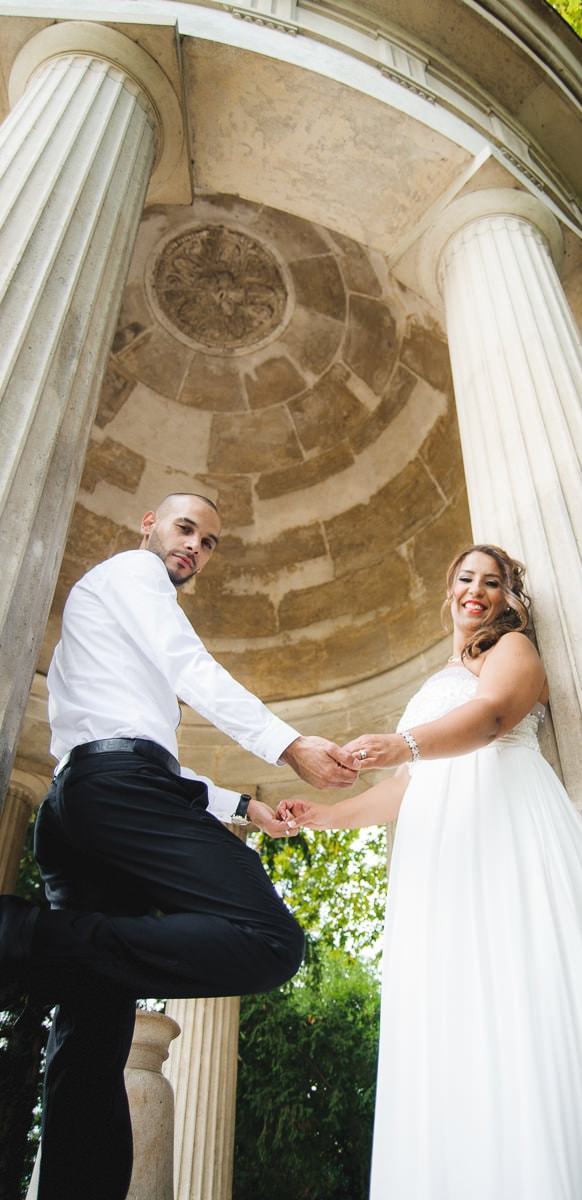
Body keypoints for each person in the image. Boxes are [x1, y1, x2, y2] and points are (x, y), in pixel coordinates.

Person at [280, 544, 582, 1199]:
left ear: (509, 599)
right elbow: (406, 789)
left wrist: (405, 743)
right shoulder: (431, 683)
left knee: (522, 990)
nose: (477, 589)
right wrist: (323, 816)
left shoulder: (509, 652)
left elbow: (493, 716)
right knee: (451, 1017)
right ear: (448, 592)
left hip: (505, 826)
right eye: (466, 578)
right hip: (436, 854)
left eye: (494, 582)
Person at [0, 493, 361, 1200]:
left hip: (82, 802)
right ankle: (15, 932)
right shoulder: (133, 577)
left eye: (209, 541)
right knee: (268, 941)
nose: (195, 546)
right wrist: (286, 744)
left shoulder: (107, 615)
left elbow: (133, 743)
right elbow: (187, 667)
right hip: (116, 791)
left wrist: (243, 807)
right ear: (149, 524)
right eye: (184, 528)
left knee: (92, 1032)